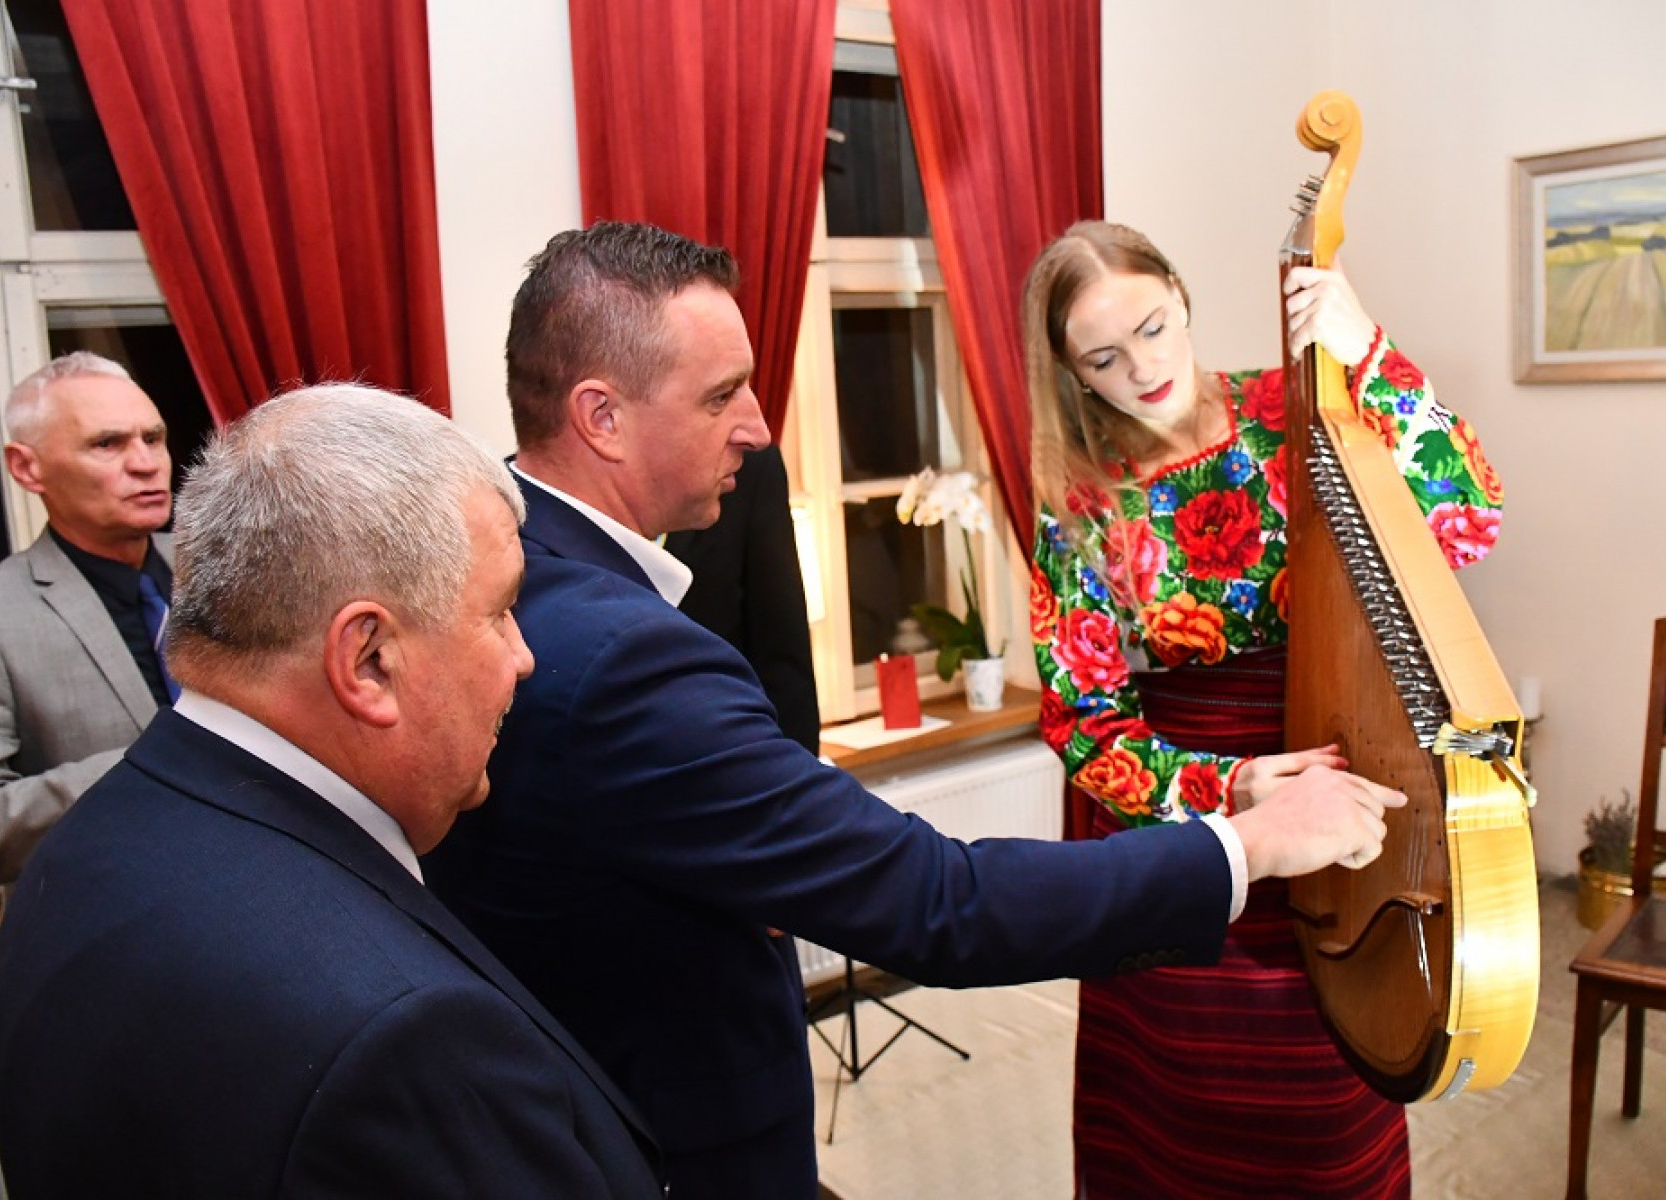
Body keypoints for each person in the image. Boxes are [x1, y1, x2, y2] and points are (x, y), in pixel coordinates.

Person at [423, 219, 1407, 1200]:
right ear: (600, 417)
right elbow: (934, 900)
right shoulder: (623, 658)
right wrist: (1243, 837)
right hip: (659, 1136)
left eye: (1151, 329)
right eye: (721, 395)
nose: (758, 427)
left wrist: (1364, 349)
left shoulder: (510, 571)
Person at [0, 385, 667, 1199]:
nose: (523, 658)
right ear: (368, 661)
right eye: (500, 612)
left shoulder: (78, 855)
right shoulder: (406, 1040)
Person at [1022, 219, 1506, 1199]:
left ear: (1181, 295)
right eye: (1103, 359)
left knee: (1328, 1120)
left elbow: (1466, 521)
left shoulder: (1294, 411)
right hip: (1189, 842)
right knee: (1173, 1133)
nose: (1141, 369)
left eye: (1152, 328)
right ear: (1071, 373)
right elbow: (1083, 721)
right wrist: (1231, 788)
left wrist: (1367, 347)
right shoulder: (1081, 505)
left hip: (1340, 805)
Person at [0, 352, 177, 898]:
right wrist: (147, 768)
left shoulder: (225, 570)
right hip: (116, 919)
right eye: (107, 444)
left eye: (153, 438)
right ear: (26, 468)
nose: (146, 463)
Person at [665, 442, 821, 752]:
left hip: (728, 758)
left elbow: (783, 659)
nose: (759, 433)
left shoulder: (750, 468)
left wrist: (792, 774)